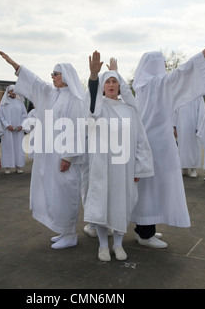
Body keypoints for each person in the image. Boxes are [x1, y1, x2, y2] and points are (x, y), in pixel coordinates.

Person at [131, 32, 205, 249]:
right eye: (162, 62)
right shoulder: (158, 83)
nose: (165, 65)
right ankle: (145, 232)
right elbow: (183, 71)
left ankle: (144, 226)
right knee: (154, 185)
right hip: (158, 143)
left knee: (149, 186)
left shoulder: (142, 85)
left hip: (148, 141)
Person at [0, 49, 86, 250]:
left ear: (67, 76)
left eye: (56, 73)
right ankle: (62, 230)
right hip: (49, 154)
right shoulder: (51, 93)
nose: (52, 76)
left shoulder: (75, 100)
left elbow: (77, 128)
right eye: (52, 73)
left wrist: (69, 156)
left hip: (65, 155)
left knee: (66, 191)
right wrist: (15, 65)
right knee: (53, 192)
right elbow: (34, 81)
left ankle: (70, 233)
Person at [83, 56, 154, 262]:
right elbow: (91, 104)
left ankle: (119, 244)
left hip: (124, 166)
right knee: (102, 204)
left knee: (122, 203)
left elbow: (140, 139)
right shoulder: (99, 107)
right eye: (108, 82)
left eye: (115, 81)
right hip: (102, 165)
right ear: (103, 87)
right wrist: (95, 76)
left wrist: (139, 168)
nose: (112, 85)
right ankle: (103, 245)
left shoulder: (129, 109)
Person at [173, 96, 205, 178]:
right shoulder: (180, 94)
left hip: (193, 127)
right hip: (181, 127)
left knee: (193, 148)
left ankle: (193, 169)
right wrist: (174, 127)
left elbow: (202, 112)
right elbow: (174, 112)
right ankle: (184, 168)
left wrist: (199, 127)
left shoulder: (198, 95)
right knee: (182, 148)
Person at [0, 85, 28, 174]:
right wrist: (7, 125)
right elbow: (1, 116)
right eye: (11, 91)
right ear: (8, 92)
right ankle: (8, 166)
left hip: (18, 130)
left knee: (18, 148)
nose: (13, 92)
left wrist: (21, 125)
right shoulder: (4, 104)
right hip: (8, 130)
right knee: (8, 147)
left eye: (15, 90)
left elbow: (24, 115)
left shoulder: (20, 102)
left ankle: (18, 166)